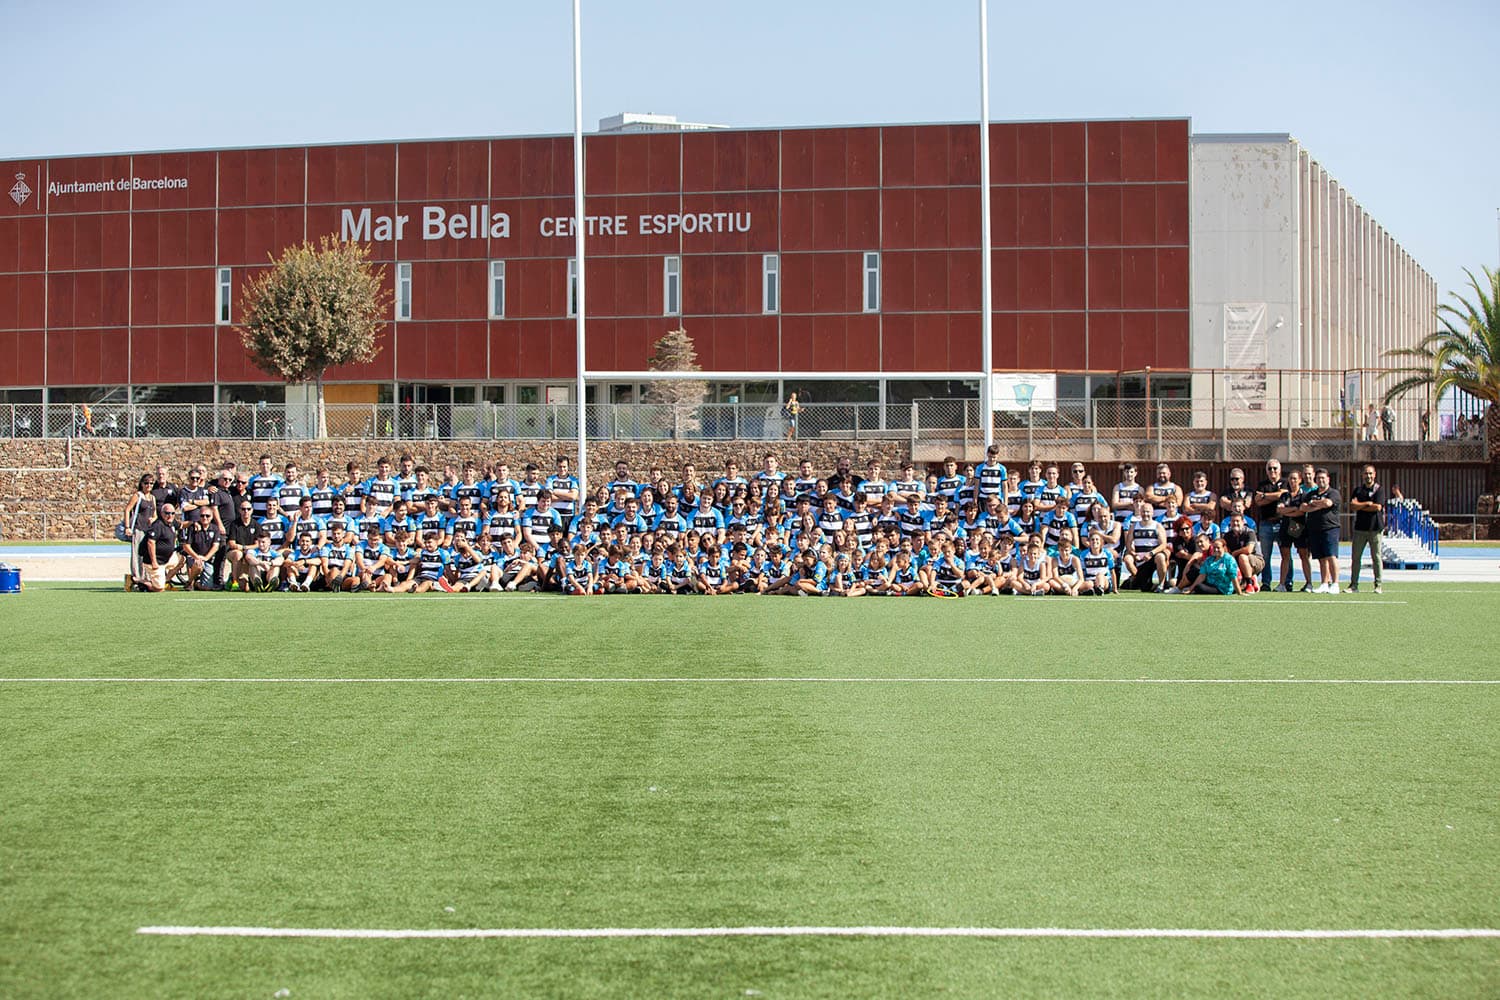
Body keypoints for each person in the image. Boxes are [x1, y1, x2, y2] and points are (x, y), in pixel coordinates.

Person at [1302, 467, 1342, 594]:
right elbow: (1303, 507)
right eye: (1318, 478)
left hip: (1330, 528)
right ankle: (1324, 583)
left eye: (1323, 478)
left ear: (1328, 479)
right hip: (1315, 529)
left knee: (1331, 556)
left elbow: (1328, 503)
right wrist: (1316, 505)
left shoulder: (1333, 492)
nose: (1321, 480)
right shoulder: (1311, 494)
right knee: (1321, 558)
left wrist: (1313, 504)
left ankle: (1335, 583)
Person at [1348, 464, 1383, 594]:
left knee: (1376, 557)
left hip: (1375, 529)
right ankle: (1354, 585)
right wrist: (1367, 504)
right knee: (1356, 557)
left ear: (1374, 474)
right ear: (1362, 475)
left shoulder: (1379, 490)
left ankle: (1378, 585)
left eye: (1370, 473)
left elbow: (1377, 507)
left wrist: (1360, 506)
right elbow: (1352, 505)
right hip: (1360, 529)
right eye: (1366, 473)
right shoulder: (1358, 490)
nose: (1368, 476)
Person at [137, 504, 184, 592]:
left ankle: (165, 580)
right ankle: (136, 580)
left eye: (173, 513)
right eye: (167, 513)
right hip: (156, 561)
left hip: (166, 559)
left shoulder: (172, 522)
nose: (170, 516)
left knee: (182, 559)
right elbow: (151, 543)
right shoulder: (157, 525)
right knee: (159, 589)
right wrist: (154, 562)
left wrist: (195, 522)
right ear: (162, 513)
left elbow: (181, 525)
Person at [122, 473, 156, 590]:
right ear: (142, 484)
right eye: (146, 483)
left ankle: (146, 577)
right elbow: (127, 509)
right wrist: (127, 527)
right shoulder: (138, 496)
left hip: (148, 530)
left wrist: (153, 519)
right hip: (138, 529)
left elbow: (155, 514)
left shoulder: (152, 498)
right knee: (137, 554)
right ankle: (136, 577)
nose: (148, 485)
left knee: (147, 554)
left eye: (151, 483)